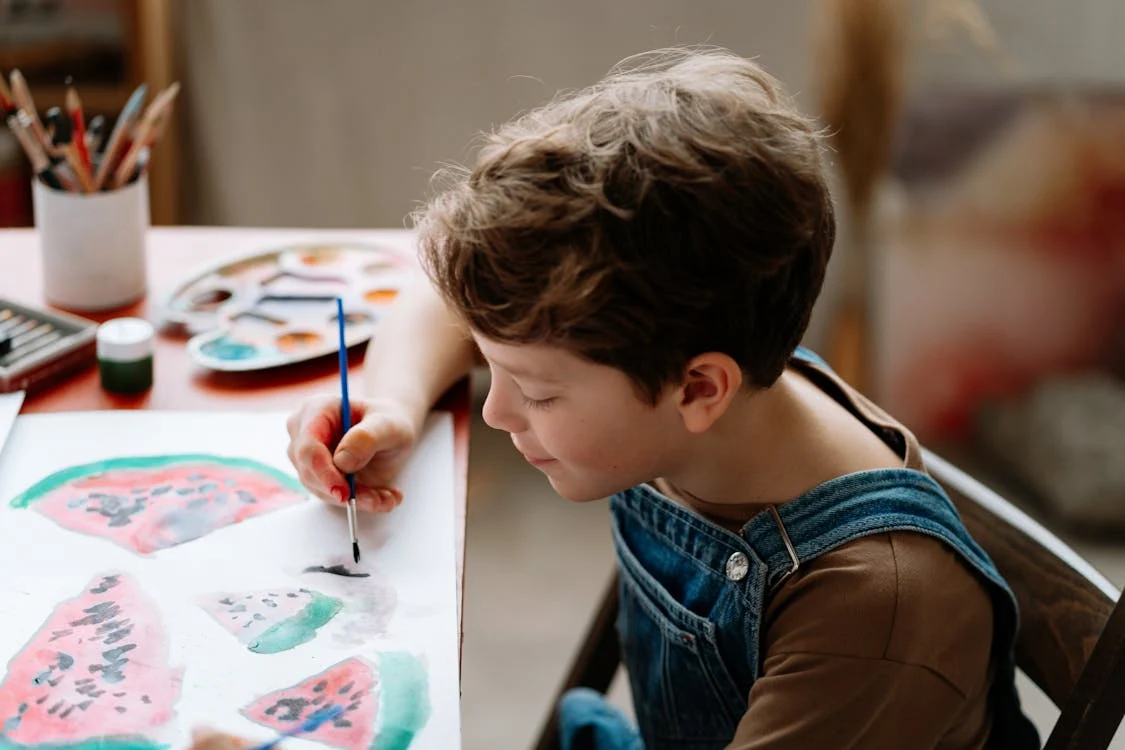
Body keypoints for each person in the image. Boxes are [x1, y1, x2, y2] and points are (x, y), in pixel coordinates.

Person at [285, 46, 1040, 749]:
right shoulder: (716, 395)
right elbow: (442, 300)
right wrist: (393, 404)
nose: (497, 411)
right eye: (496, 366)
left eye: (540, 393)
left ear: (699, 387)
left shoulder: (870, 617)